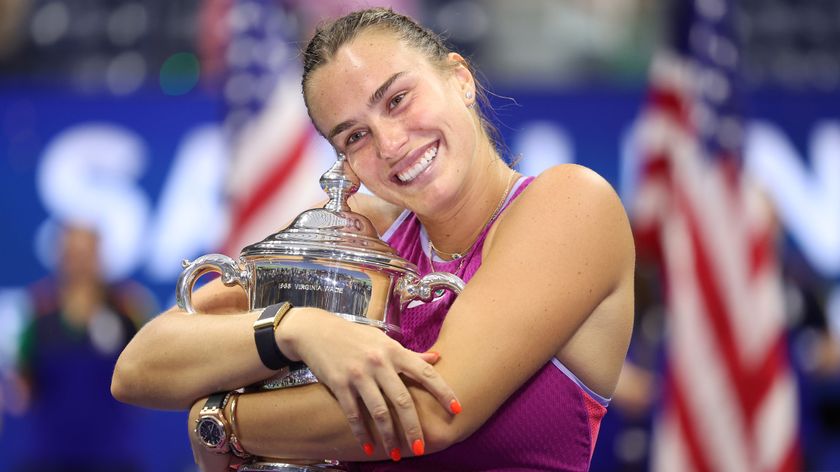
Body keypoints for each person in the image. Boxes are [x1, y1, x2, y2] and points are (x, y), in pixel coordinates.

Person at [112, 7, 635, 471]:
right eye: (354, 136)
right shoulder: (366, 237)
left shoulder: (570, 203)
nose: (389, 144)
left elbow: (432, 413)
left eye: (398, 99)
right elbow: (138, 366)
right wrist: (296, 328)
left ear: (460, 78)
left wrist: (220, 419)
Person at [15, 223, 155, 472]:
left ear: (99, 255)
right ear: (60, 257)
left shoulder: (127, 308)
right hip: (50, 458)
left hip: (114, 458)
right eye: (73, 254)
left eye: (86, 254)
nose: (79, 263)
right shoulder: (39, 311)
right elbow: (23, 385)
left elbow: (150, 371)